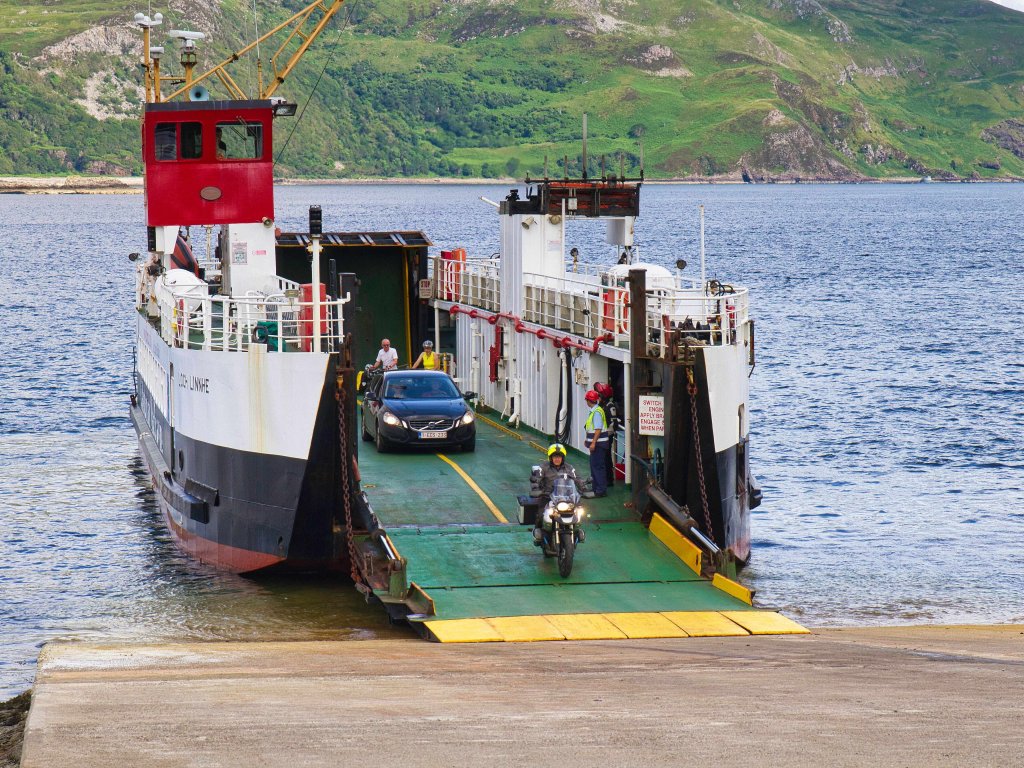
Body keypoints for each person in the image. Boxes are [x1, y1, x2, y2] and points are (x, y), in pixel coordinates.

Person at [533, 443, 587, 545]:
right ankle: (538, 535)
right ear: (550, 457)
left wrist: (584, 488)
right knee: (541, 514)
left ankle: (577, 533)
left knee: (579, 512)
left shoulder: (569, 468)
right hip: (548, 496)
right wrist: (536, 486)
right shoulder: (544, 467)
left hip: (567, 497)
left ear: (563, 458)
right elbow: (537, 478)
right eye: (555, 457)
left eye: (559, 457)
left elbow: (577, 479)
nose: (557, 459)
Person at [594, 382, 621, 488]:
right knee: (605, 457)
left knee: (605, 458)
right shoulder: (605, 405)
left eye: (599, 394)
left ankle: (608, 480)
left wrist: (603, 433)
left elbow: (612, 423)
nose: (598, 397)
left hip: (606, 436)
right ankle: (606, 479)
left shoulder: (608, 406)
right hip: (605, 435)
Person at [584, 389, 609, 497]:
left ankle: (600, 490)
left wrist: (593, 443)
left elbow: (598, 429)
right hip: (598, 444)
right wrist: (588, 441)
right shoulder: (596, 411)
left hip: (599, 445)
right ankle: (596, 488)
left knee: (597, 467)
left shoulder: (597, 412)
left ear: (588, 400)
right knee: (595, 466)